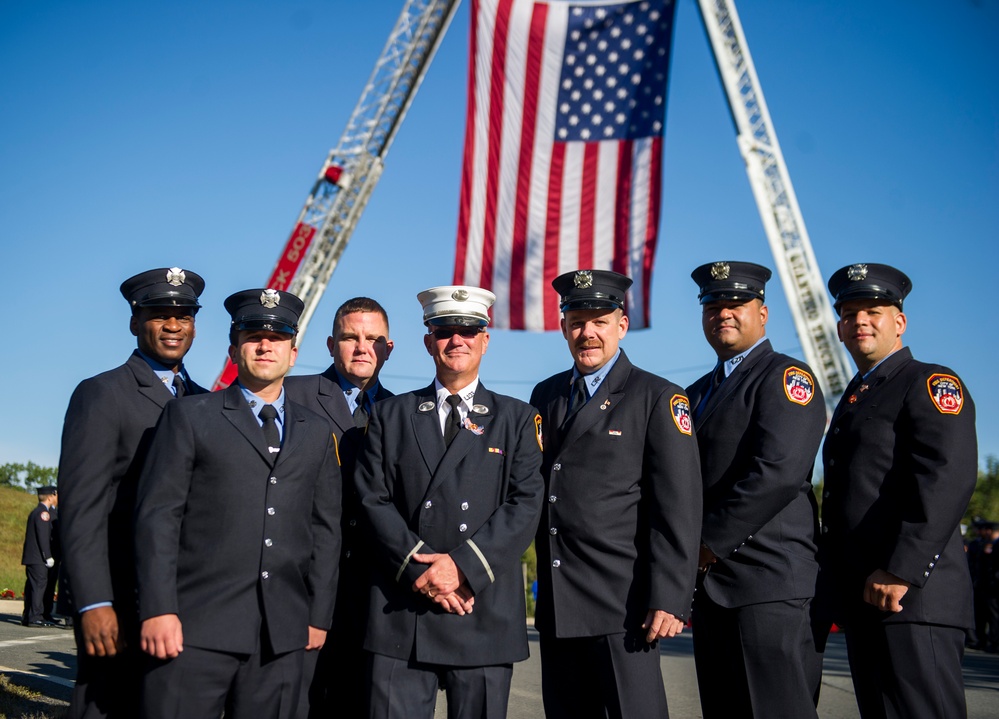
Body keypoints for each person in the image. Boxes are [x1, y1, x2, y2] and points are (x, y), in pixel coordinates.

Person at [134, 288, 341, 719]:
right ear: (233, 349)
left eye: (278, 336)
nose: (265, 344)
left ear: (294, 351)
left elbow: (325, 529)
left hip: (283, 637)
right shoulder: (190, 416)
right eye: (252, 335)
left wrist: (318, 614)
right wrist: (158, 609)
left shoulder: (318, 432)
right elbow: (159, 518)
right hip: (193, 631)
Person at [353, 285, 544, 718]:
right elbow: (371, 500)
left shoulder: (516, 418)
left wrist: (461, 568)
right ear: (428, 341)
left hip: (481, 608)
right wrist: (420, 568)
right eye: (444, 331)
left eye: (470, 330)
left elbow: (526, 504)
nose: (457, 340)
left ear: (485, 340)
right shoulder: (390, 416)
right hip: (402, 610)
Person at [530, 269, 702, 719]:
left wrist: (669, 595)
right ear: (564, 327)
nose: (587, 333)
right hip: (558, 601)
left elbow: (678, 506)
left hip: (623, 605)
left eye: (599, 321)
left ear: (621, 325)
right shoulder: (545, 395)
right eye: (577, 321)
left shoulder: (657, 396)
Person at [820, 263, 977, 718]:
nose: (860, 322)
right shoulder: (858, 394)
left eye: (873, 311)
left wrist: (902, 570)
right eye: (849, 314)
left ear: (900, 322)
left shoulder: (928, 382)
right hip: (867, 595)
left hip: (912, 596)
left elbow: (946, 477)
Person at [57, 266, 205, 718]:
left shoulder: (206, 402)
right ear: (134, 322)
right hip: (118, 598)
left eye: (184, 314)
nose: (173, 324)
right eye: (160, 314)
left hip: (187, 602)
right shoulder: (102, 394)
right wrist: (94, 601)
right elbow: (82, 508)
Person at [686, 261, 826, 717]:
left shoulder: (786, 377)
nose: (723, 313)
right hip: (711, 589)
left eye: (736, 304)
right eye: (712, 305)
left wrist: (706, 543)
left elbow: (778, 472)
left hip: (767, 584)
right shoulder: (694, 392)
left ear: (762, 313)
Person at [283, 297, 394, 717]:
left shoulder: (406, 411)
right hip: (302, 584)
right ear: (331, 344)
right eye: (350, 337)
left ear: (389, 348)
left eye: (373, 339)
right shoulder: (293, 394)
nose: (362, 347)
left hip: (373, 590)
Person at [21, 486, 60, 627]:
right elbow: (43, 537)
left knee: (33, 587)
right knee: (39, 586)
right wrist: (47, 556)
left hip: (33, 558)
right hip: (38, 558)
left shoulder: (36, 512)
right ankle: (35, 617)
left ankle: (29, 615)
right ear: (50, 496)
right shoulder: (43, 513)